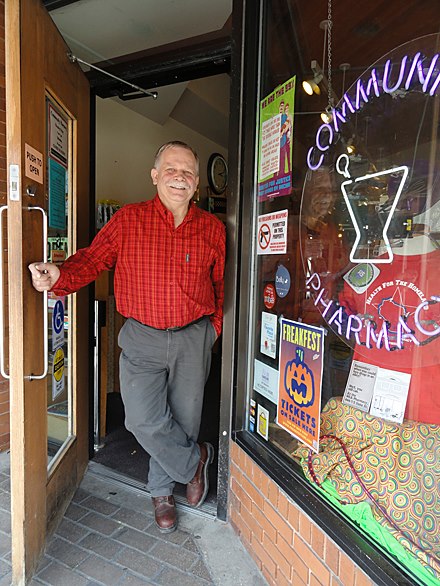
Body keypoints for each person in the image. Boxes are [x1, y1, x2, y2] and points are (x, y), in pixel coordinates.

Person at [29, 141, 226, 533]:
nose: (179, 177)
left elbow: (220, 284)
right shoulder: (128, 220)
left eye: (187, 171)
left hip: (193, 337)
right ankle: (196, 460)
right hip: (141, 336)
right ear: (155, 176)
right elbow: (93, 258)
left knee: (184, 419)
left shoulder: (212, 228)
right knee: (141, 418)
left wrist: (213, 329)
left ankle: (161, 491)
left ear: (197, 183)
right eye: (171, 169)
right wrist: (59, 276)